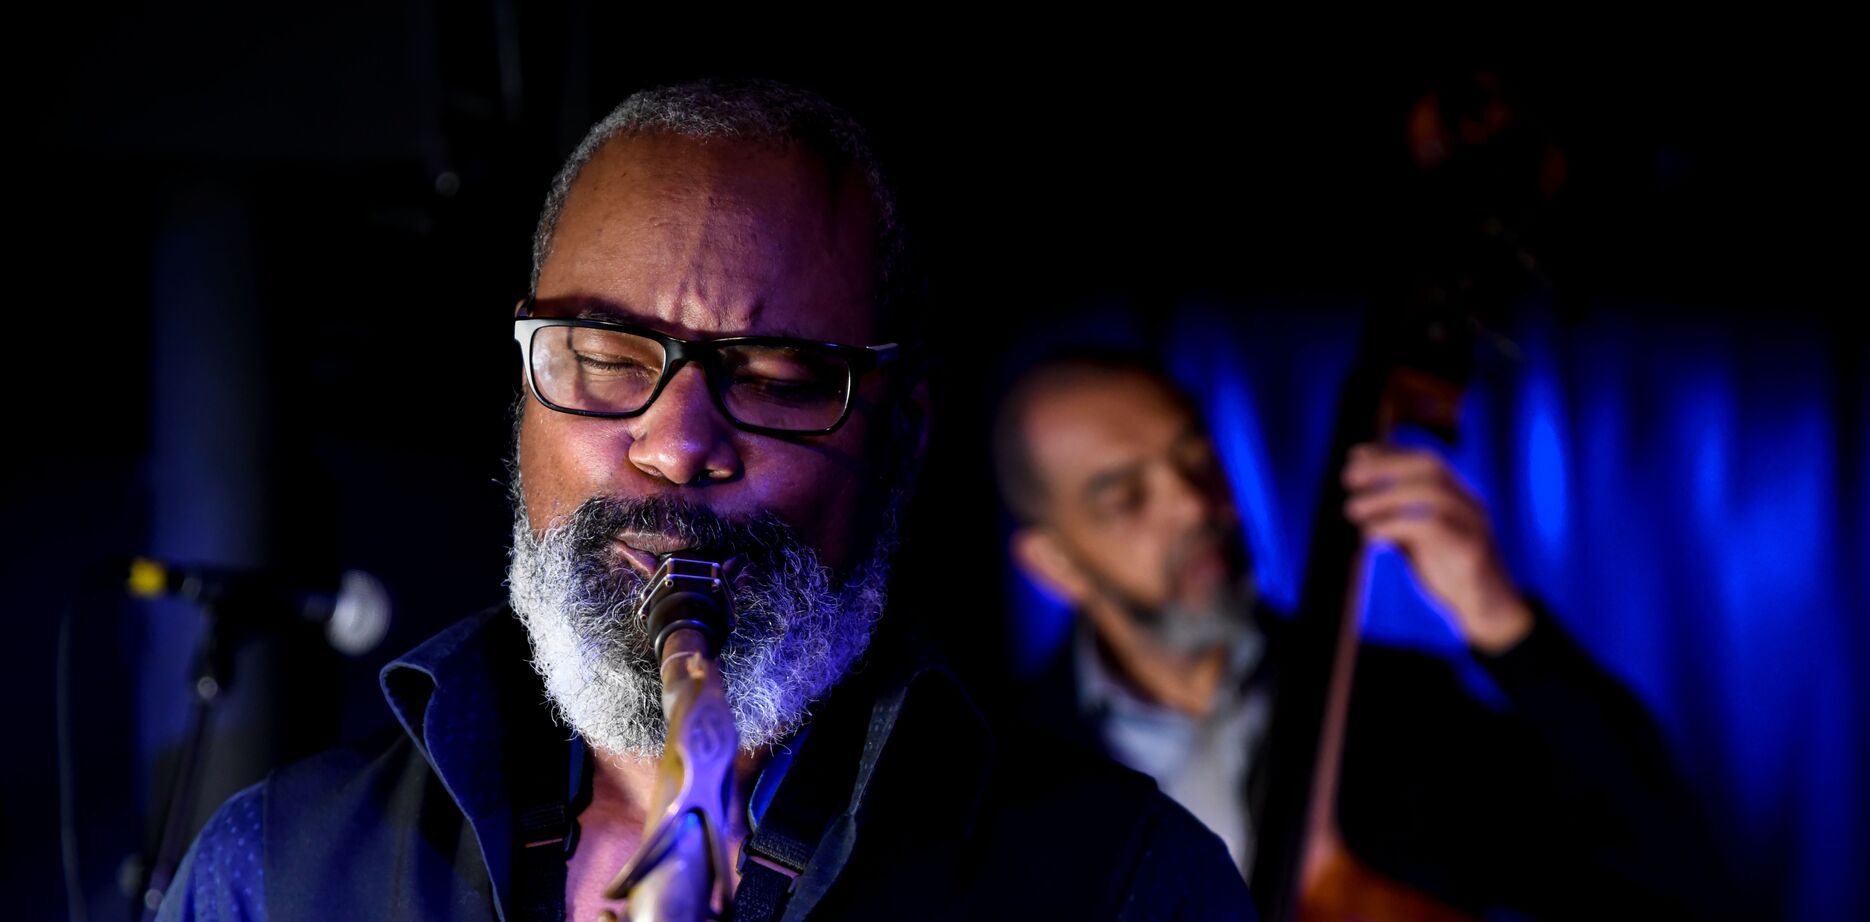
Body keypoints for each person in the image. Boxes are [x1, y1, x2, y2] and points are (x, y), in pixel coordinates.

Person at [156, 80, 1252, 921]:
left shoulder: (1128, 884)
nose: (677, 444)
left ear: (902, 433)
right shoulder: (269, 868)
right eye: (604, 356)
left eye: (776, 378)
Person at [992, 351, 1724, 921]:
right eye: (1125, 497)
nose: (1190, 505)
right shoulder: (998, 775)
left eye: (1196, 460)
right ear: (1053, 563)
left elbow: (1663, 859)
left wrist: (1502, 622)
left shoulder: (1404, 704)